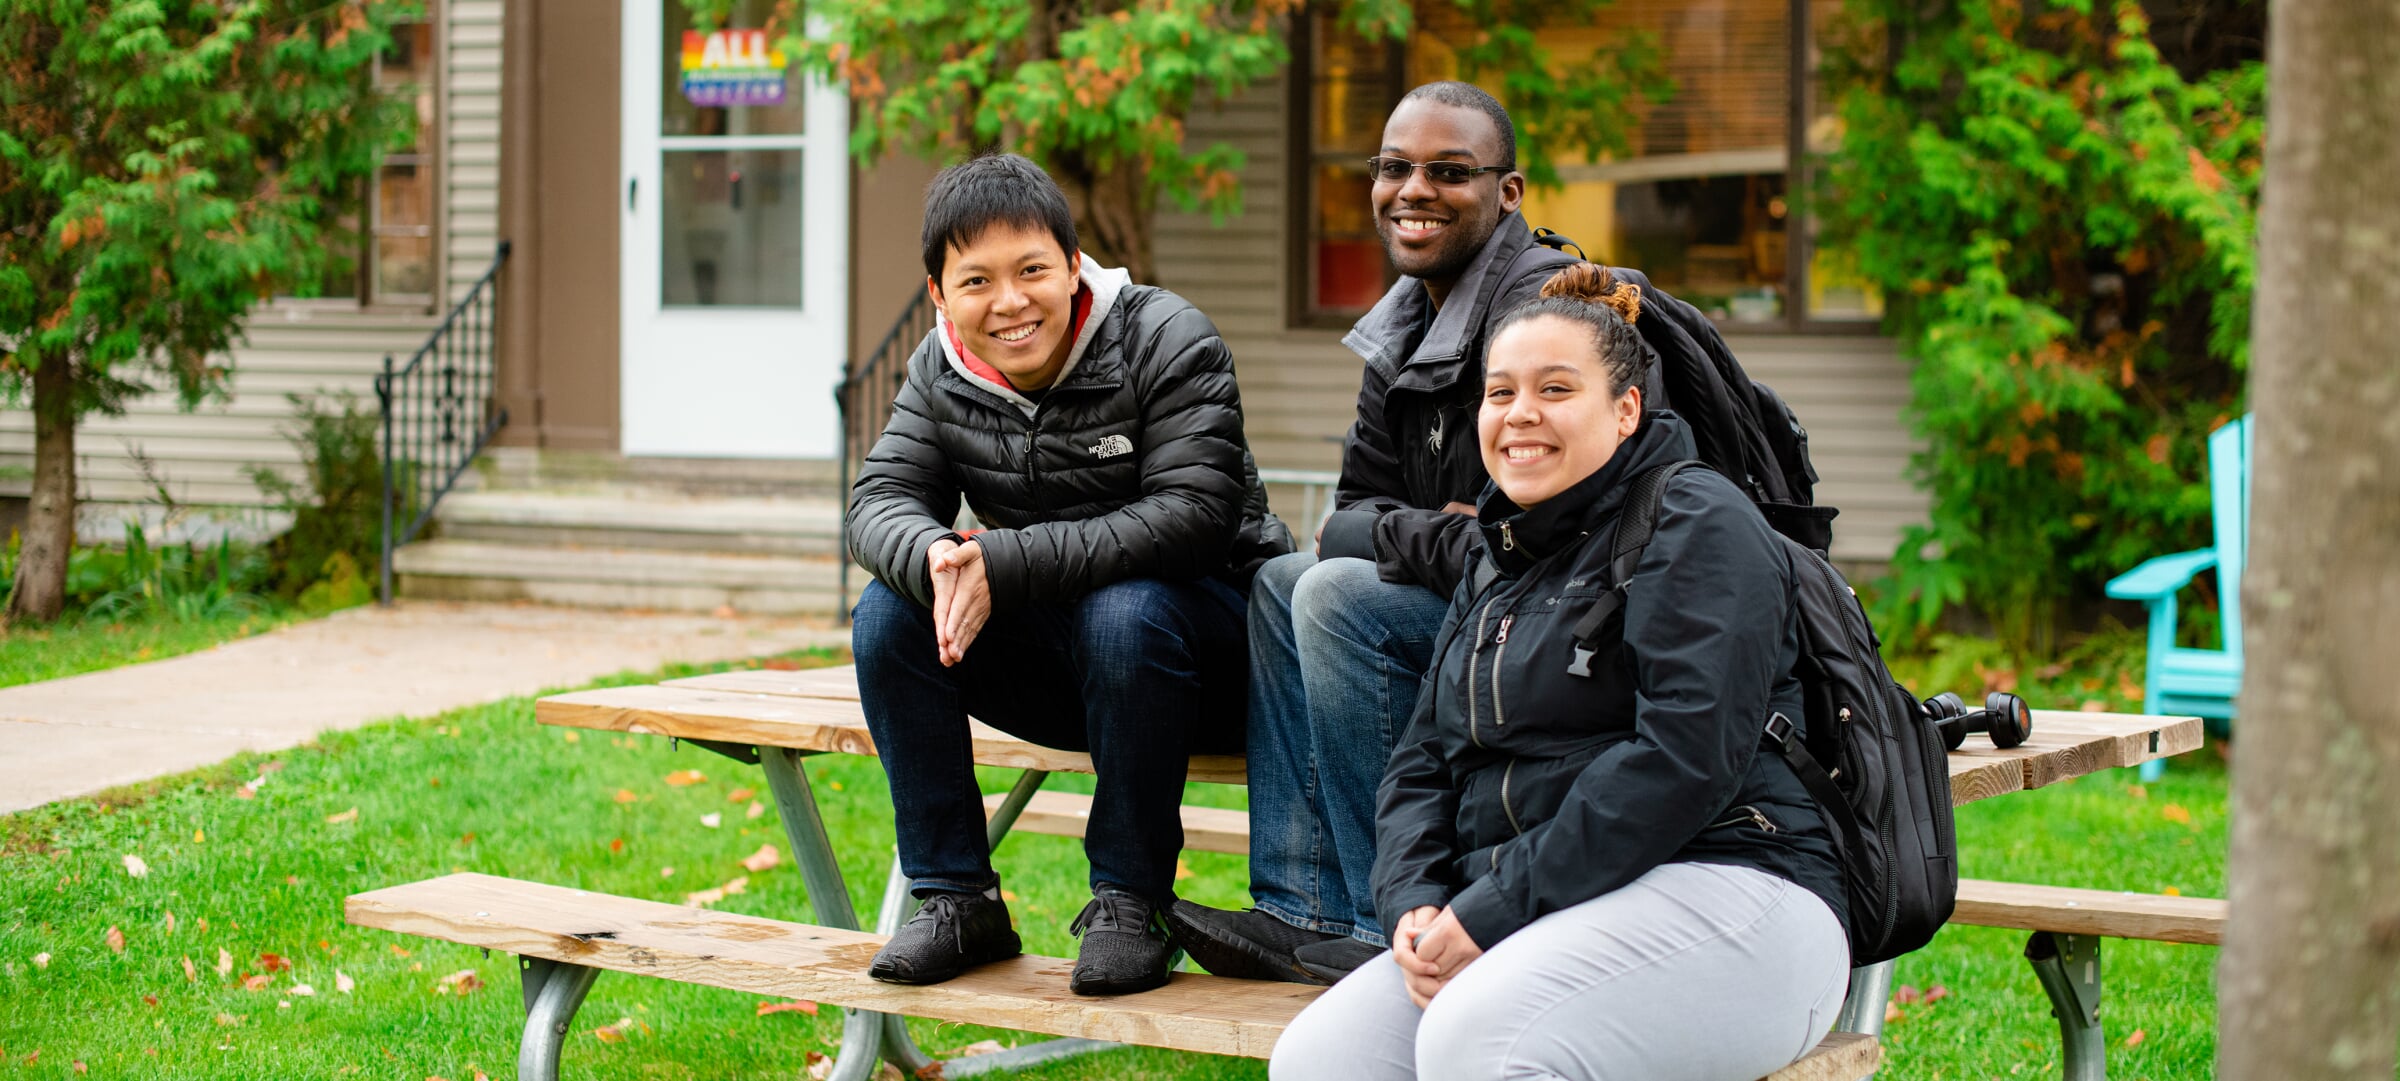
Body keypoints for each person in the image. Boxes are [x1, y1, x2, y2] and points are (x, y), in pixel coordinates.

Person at [1267, 265, 1851, 1080]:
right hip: (1547, 903)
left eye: (1555, 388)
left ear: (1625, 409)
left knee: (1478, 1040)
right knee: (1319, 1060)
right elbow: (1421, 764)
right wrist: (1415, 902)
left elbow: (1684, 761)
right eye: (1499, 393)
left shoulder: (1699, 521)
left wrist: (1492, 907)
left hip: (1740, 889)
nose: (1521, 415)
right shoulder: (1497, 557)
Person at [845, 153, 1292, 996]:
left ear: (1074, 263)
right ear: (939, 294)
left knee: (1125, 612)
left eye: (1031, 270)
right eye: (976, 280)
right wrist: (937, 555)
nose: (1010, 302)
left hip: (1220, 660)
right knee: (889, 610)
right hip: (1083, 671)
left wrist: (1002, 559)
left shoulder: (1164, 335)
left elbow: (1195, 518)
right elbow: (879, 499)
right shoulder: (940, 370)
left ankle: (1131, 902)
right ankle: (956, 897)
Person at [1168, 81, 1584, 982]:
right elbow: (1344, 517)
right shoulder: (1407, 319)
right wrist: (1433, 528)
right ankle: (1299, 903)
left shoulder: (1546, 314)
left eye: (1447, 171)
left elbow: (1534, 537)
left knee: (1337, 598)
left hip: (1564, 630)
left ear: (1507, 193)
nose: (1413, 190)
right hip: (1471, 607)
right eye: (1394, 168)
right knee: (1283, 581)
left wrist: (1413, 534)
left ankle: (1378, 918)